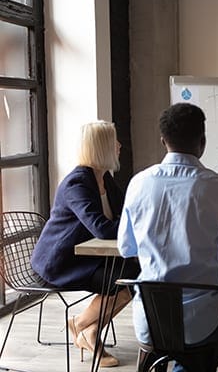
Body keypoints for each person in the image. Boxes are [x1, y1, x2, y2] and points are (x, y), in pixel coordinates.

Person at [117, 103, 218, 372]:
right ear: (203, 141)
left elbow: (126, 248)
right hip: (201, 323)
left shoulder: (138, 183)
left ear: (163, 141)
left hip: (150, 320)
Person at [31, 121, 139, 368]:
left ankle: (88, 330)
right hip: (61, 263)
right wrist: (135, 229)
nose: (119, 146)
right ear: (102, 147)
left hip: (87, 258)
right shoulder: (77, 183)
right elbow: (101, 228)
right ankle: (80, 325)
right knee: (127, 278)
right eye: (114, 141)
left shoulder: (104, 179)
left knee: (134, 276)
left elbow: (127, 213)